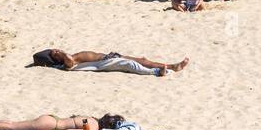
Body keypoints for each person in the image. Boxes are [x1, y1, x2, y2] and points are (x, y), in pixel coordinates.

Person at [34, 49, 189, 76]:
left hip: (108, 56)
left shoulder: (69, 59)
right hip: (107, 62)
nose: (56, 50)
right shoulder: (68, 62)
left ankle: (172, 66)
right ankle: (158, 72)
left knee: (142, 60)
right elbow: (69, 61)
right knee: (132, 66)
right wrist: (61, 54)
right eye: (54, 53)